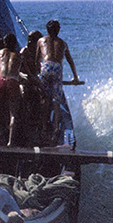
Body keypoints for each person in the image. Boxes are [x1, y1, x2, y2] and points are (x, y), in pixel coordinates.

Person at [35, 20, 80, 148]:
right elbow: (70, 61)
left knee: (45, 99)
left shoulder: (41, 41)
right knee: (56, 100)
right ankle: (55, 129)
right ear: (58, 30)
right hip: (56, 68)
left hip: (45, 67)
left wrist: (37, 75)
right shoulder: (63, 43)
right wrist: (75, 78)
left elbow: (36, 60)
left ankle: (44, 127)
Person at [0, 33, 22, 146]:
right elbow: (22, 71)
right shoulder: (19, 55)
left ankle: (0, 133)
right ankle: (10, 140)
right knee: (12, 112)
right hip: (13, 81)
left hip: (1, 80)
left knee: (1, 106)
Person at [19, 31, 43, 146]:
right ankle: (23, 124)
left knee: (40, 96)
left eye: (31, 40)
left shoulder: (38, 53)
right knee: (23, 94)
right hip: (23, 80)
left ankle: (37, 126)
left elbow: (38, 68)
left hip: (33, 81)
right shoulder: (24, 52)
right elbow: (18, 69)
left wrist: (36, 78)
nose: (29, 42)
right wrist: (28, 77)